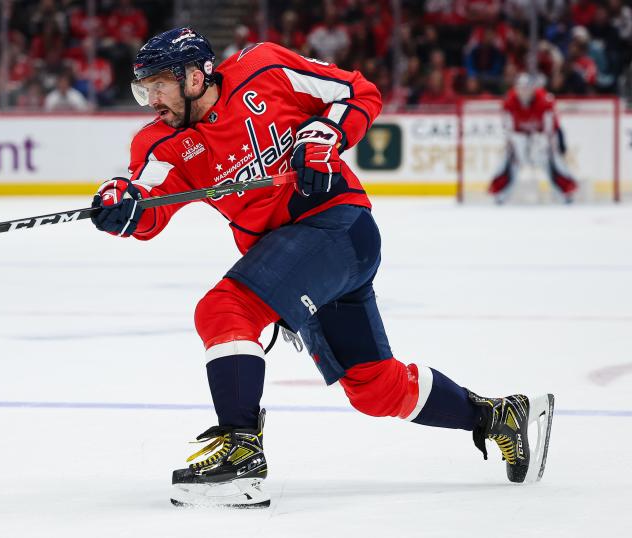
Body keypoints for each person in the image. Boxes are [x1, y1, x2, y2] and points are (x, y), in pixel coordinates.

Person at [90, 28, 555, 508]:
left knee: (225, 309)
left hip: (338, 226)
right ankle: (499, 416)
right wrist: (123, 206)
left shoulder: (264, 69)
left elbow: (357, 91)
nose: (151, 99)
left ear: (195, 75)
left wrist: (326, 133)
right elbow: (146, 199)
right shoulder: (160, 141)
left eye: (159, 84)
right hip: (298, 257)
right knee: (373, 387)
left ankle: (240, 454)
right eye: (143, 88)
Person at [488, 73, 577, 203]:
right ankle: (499, 193)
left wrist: (548, 147)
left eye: (527, 88)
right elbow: (508, 128)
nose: (523, 92)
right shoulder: (509, 101)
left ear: (533, 89)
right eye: (521, 88)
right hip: (519, 136)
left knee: (553, 160)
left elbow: (550, 129)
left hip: (543, 136)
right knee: (510, 161)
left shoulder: (544, 101)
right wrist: (512, 145)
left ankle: (566, 192)